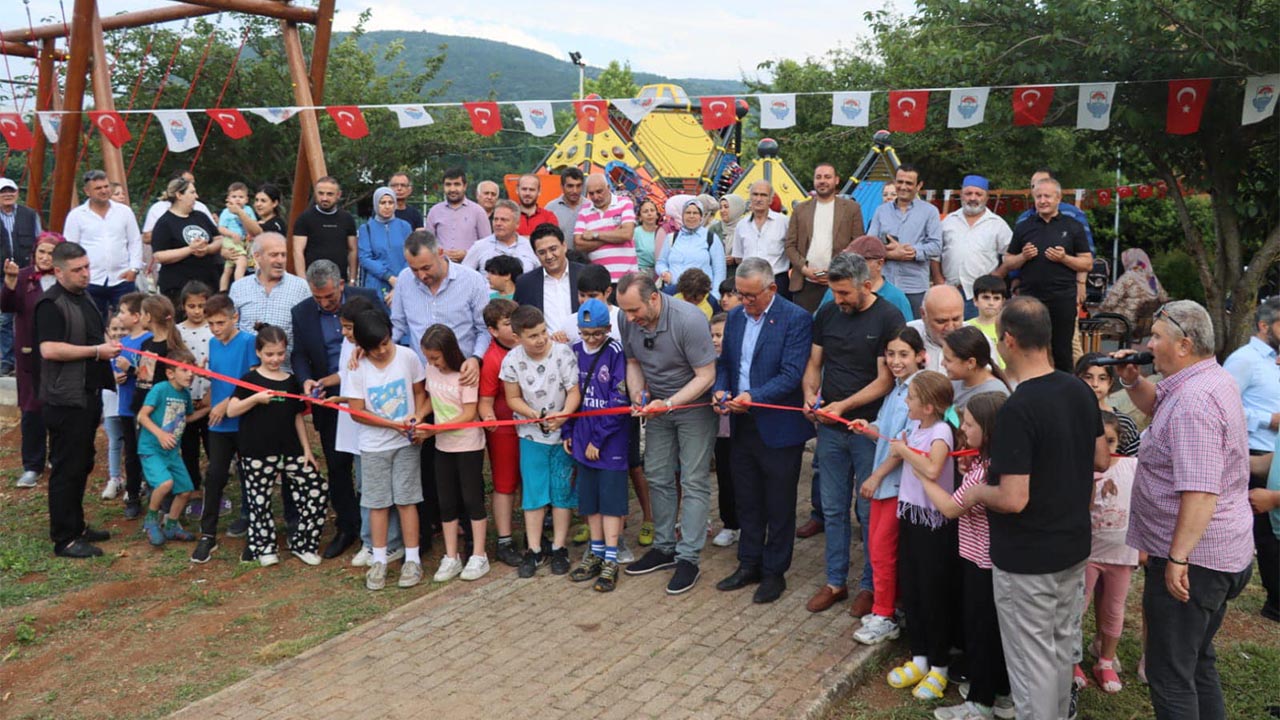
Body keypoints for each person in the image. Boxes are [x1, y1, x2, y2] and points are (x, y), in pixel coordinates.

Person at [962, 296, 1110, 720]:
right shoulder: (1079, 389)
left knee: (1031, 665)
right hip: (1072, 546)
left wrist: (975, 493)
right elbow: (1100, 458)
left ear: (1008, 340)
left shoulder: (1019, 408)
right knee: (1061, 650)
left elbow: (1012, 498)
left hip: (1027, 560)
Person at [1115, 300, 1254, 719]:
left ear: (1184, 344)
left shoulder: (1195, 403)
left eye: (1156, 337)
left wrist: (1177, 558)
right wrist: (1134, 382)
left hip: (1196, 561)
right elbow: (1164, 410)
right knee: (1196, 661)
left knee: (1171, 674)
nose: (1148, 344)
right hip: (1222, 552)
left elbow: (1200, 491)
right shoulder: (1208, 379)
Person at [802, 252, 904, 615]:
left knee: (867, 509)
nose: (838, 300)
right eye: (834, 292)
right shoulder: (828, 312)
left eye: (844, 293)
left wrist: (842, 407)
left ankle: (870, 586)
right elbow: (814, 364)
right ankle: (835, 582)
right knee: (831, 508)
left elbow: (885, 379)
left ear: (865, 284)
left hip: (868, 429)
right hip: (829, 428)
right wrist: (810, 396)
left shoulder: (889, 316)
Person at [712, 258, 814, 604]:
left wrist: (751, 397)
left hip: (779, 426)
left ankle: (774, 572)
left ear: (772, 288)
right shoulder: (737, 317)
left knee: (779, 502)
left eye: (751, 295)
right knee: (748, 498)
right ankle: (748, 563)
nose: (744, 302)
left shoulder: (796, 319)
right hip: (742, 423)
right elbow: (725, 363)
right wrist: (721, 391)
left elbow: (790, 375)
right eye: (740, 295)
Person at [913, 392, 1016, 720]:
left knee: (980, 631)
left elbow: (948, 508)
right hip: (995, 560)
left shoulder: (982, 473)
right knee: (995, 631)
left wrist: (922, 477)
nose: (963, 430)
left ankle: (980, 703)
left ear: (987, 429)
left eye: (969, 424)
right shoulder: (998, 463)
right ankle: (1003, 696)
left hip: (980, 562)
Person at [617, 272, 718, 595]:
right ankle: (663, 546)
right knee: (658, 474)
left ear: (654, 298)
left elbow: (706, 375)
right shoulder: (625, 316)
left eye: (635, 311)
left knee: (693, 479)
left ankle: (688, 556)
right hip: (656, 405)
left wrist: (671, 403)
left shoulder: (688, 320)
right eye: (626, 312)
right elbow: (633, 361)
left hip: (692, 406)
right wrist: (637, 395)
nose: (631, 318)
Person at [292, 260, 384, 560]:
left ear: (341, 285)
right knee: (338, 465)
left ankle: (378, 529)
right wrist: (306, 379)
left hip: (369, 395)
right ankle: (348, 526)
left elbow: (388, 333)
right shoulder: (302, 312)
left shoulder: (367, 297)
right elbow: (300, 354)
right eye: (318, 298)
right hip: (328, 398)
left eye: (329, 297)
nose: (324, 303)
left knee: (371, 463)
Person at [36, 241, 121, 557]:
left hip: (87, 394)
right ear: (58, 271)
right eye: (77, 270)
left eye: (86, 267)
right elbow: (50, 349)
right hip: (65, 399)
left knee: (82, 462)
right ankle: (65, 538)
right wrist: (97, 351)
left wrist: (106, 342)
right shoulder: (51, 303)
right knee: (66, 467)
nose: (86, 274)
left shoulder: (82, 295)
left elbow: (91, 334)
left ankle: (77, 524)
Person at [878, 371, 957, 702]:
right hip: (910, 516)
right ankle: (920, 656)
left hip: (934, 524)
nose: (906, 402)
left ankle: (940, 666)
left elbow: (932, 469)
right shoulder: (915, 427)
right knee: (912, 589)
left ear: (927, 406)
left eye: (910, 398)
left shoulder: (941, 431)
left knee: (933, 593)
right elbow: (895, 447)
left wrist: (904, 450)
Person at [227, 325, 329, 567]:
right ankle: (265, 547)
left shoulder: (292, 381)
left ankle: (304, 543)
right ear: (259, 353)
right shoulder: (249, 380)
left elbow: (297, 417)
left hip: (291, 450)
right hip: (257, 451)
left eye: (280, 354)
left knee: (317, 491)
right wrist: (256, 398)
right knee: (259, 501)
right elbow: (232, 410)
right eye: (270, 354)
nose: (275, 359)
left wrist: (306, 449)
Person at [851, 327, 924, 644]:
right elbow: (887, 430)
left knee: (883, 552)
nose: (896, 361)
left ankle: (885, 616)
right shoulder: (895, 390)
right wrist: (868, 428)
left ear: (920, 356)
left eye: (903, 354)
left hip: (897, 486)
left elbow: (904, 445)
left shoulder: (917, 392)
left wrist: (876, 475)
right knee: (879, 550)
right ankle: (884, 608)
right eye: (891, 354)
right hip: (886, 486)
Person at [500, 305, 581, 578]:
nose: (541, 339)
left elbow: (573, 391)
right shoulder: (511, 361)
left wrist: (565, 415)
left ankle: (559, 546)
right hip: (530, 435)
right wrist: (531, 414)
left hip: (562, 435)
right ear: (517, 337)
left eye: (543, 332)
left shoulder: (563, 353)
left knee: (561, 493)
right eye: (533, 335)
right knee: (534, 495)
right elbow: (512, 397)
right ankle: (534, 550)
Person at [564, 298, 631, 592]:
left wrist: (598, 438)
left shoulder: (616, 353)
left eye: (597, 333)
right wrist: (568, 429)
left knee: (611, 502)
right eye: (585, 333)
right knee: (589, 501)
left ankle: (611, 560)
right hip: (581, 438)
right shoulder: (573, 352)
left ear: (607, 329)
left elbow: (619, 399)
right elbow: (567, 394)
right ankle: (596, 551)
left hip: (609, 440)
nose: (591, 339)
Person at [1222, 295, 1280, 623]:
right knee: (1265, 534)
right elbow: (1224, 406)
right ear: (1264, 325)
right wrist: (1267, 419)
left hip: (1275, 454)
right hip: (1255, 452)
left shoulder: (1276, 360)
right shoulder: (1244, 359)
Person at [337, 296, 405, 569]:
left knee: (389, 491)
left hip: (386, 432)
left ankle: (390, 543)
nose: (345, 333)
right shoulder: (351, 349)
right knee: (367, 488)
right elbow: (346, 379)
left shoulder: (382, 352)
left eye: (350, 327)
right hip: (358, 431)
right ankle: (371, 541)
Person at [1075, 412, 1140, 695]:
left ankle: (1105, 661)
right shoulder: (1078, 470)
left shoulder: (1133, 467)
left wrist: (1145, 546)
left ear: (1118, 441)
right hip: (1087, 554)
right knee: (1077, 608)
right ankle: (1071, 660)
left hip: (1122, 555)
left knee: (1114, 609)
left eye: (1109, 441)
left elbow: (1144, 504)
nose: (1103, 449)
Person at [419, 324, 490, 583]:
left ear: (448, 351)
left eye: (436, 357)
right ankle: (451, 556)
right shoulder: (430, 369)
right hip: (442, 446)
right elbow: (430, 398)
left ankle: (479, 554)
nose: (433, 363)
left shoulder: (465, 373)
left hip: (468, 445)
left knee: (472, 499)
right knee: (446, 502)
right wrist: (419, 414)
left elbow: (469, 413)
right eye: (428, 358)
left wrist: (435, 429)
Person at [191, 293, 258, 563]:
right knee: (215, 476)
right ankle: (208, 534)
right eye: (211, 324)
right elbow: (222, 379)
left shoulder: (249, 342)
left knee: (251, 477)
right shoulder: (214, 345)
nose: (216, 329)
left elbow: (252, 380)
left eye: (220, 323)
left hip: (245, 420)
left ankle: (256, 532)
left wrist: (227, 403)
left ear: (235, 318)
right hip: (219, 424)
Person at [1004, 178, 1094, 372]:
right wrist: (1023, 256)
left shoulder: (1073, 226)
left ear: (1058, 198)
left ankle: (1063, 394)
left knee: (1062, 350)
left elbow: (1087, 263)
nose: (1042, 200)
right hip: (1031, 299)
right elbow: (1008, 261)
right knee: (1031, 348)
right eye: (1038, 197)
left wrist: (1064, 258)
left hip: (1062, 298)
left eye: (1047, 196)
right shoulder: (1024, 226)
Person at [2, 231, 60, 488]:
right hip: (29, 353)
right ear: (34, 253)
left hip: (59, 351)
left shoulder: (64, 278)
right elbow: (6, 306)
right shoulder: (23, 276)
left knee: (59, 406)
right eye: (42, 252)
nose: (46, 258)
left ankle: (57, 457)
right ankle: (32, 465)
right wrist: (10, 282)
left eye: (51, 253)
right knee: (31, 408)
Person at [390, 229, 490, 375]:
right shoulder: (404, 279)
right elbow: (397, 325)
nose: (422, 275)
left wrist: (476, 358)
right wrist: (375, 347)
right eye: (414, 270)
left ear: (441, 253)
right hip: (420, 374)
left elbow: (484, 329)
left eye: (426, 268)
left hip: (462, 372)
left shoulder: (472, 281)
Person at [136, 349, 207, 546]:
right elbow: (142, 416)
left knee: (185, 490)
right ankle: (151, 521)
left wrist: (211, 408)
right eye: (185, 370)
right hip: (152, 449)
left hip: (172, 452)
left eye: (192, 370)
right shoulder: (160, 389)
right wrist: (160, 434)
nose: (191, 374)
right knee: (165, 484)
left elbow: (188, 418)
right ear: (170, 373)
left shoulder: (184, 394)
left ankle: (172, 526)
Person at [477, 298, 523, 568]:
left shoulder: (528, 345)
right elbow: (485, 401)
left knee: (531, 480)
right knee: (505, 484)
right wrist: (488, 416)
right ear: (493, 331)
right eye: (508, 323)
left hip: (530, 426)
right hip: (504, 431)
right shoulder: (492, 358)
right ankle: (504, 540)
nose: (515, 326)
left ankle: (535, 534)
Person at [62, 170, 143, 320]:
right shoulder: (76, 215)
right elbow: (70, 249)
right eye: (98, 188)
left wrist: (134, 269)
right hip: (90, 280)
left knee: (129, 322)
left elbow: (135, 241)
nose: (104, 191)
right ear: (87, 191)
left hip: (122, 278)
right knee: (92, 323)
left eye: (106, 186)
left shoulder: (124, 212)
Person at [784, 163, 864, 311]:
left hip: (840, 281)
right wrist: (805, 269)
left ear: (837, 180)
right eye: (818, 177)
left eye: (827, 177)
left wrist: (836, 269)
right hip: (805, 282)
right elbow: (789, 245)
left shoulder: (852, 208)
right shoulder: (800, 210)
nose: (822, 181)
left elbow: (858, 244)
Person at [867, 164, 943, 318]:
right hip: (884, 285)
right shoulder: (881, 211)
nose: (903, 187)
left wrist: (912, 252)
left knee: (913, 331)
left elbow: (936, 246)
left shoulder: (929, 212)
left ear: (919, 185)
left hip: (914, 287)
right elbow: (869, 246)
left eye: (909, 183)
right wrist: (892, 254)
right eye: (900, 182)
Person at [228, 233, 312, 368]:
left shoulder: (301, 287)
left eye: (283, 255)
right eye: (274, 255)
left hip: (285, 373)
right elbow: (232, 330)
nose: (280, 260)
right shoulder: (239, 287)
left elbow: (308, 333)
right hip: (246, 373)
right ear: (257, 256)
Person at [936, 175, 1011, 319]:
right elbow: (935, 254)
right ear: (961, 195)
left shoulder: (997, 224)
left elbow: (1011, 255)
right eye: (968, 193)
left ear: (986, 197)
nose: (973, 198)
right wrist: (938, 280)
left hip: (981, 296)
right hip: (950, 291)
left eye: (978, 194)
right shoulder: (948, 221)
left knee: (977, 337)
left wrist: (998, 274)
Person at [149, 177, 224, 309]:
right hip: (180, 288)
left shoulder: (200, 216)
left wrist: (207, 249)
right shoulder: (165, 223)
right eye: (192, 192)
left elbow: (219, 239)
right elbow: (159, 255)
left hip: (208, 282)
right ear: (179, 195)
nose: (196, 196)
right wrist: (190, 249)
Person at [176, 282, 214, 517]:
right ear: (183, 307)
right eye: (192, 306)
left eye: (202, 306)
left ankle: (213, 489)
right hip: (186, 399)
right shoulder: (177, 331)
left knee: (213, 446)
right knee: (188, 446)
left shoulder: (214, 329)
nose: (197, 311)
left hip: (211, 398)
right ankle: (193, 488)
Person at [513, 223, 584, 343]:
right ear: (535, 254)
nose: (549, 256)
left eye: (553, 249)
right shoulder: (525, 283)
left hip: (584, 346)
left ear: (564, 246)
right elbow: (521, 321)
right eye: (542, 252)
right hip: (544, 350)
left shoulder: (585, 274)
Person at [0, 176, 42, 376]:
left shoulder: (30, 215)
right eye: (3, 192)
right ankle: (7, 361)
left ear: (17, 193)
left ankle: (29, 357)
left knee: (30, 314)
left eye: (11, 191)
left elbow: (39, 241)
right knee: (4, 318)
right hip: (1, 275)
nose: (7, 195)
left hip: (27, 273)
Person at [818, 236, 915, 321]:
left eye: (860, 260)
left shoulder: (896, 298)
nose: (851, 264)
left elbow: (906, 336)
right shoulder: (835, 292)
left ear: (879, 263)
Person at [114, 293, 150, 518]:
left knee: (148, 451)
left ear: (136, 317)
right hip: (126, 407)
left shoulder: (149, 340)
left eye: (122, 312)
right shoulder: (122, 343)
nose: (119, 316)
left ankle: (156, 493)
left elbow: (150, 375)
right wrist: (116, 376)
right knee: (131, 454)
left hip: (146, 409)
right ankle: (133, 495)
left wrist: (131, 369)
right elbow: (114, 369)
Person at [908, 285, 997, 374]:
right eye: (941, 321)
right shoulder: (905, 336)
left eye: (956, 319)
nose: (950, 328)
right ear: (923, 314)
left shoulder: (980, 342)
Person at [657, 200, 726, 301]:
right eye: (688, 213)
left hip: (701, 296)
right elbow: (660, 263)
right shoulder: (672, 238)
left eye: (695, 213)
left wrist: (715, 296)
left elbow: (719, 270)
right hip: (673, 294)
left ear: (701, 216)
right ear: (682, 215)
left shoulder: (710, 238)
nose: (691, 216)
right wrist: (664, 272)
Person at [708, 313, 738, 546]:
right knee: (725, 478)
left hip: (739, 430)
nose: (716, 340)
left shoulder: (739, 364)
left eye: (720, 335)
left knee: (743, 480)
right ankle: (729, 524)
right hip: (718, 432)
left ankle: (747, 524)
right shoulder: (708, 364)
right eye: (712, 336)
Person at [291, 176, 357, 281]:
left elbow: (353, 250)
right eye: (320, 193)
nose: (324, 198)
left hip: (340, 280)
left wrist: (353, 279)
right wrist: (302, 281)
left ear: (338, 195)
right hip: (313, 281)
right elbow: (298, 251)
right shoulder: (304, 218)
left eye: (330, 194)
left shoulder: (347, 219)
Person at [574, 174, 638, 282]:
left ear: (608, 188)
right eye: (591, 193)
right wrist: (614, 235)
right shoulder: (584, 211)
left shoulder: (624, 202)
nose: (595, 197)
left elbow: (627, 234)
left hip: (627, 278)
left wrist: (595, 235)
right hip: (599, 280)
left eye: (599, 191)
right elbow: (578, 244)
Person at [1074, 353, 1142, 455]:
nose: (1095, 384)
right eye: (1088, 377)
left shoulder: (1124, 423)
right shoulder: (1066, 417)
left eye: (1102, 378)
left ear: (1110, 382)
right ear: (1075, 379)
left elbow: (1133, 462)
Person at [732, 181, 790, 297]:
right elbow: (739, 257)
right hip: (748, 283)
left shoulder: (784, 222)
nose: (758, 199)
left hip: (777, 282)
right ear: (750, 197)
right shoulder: (741, 225)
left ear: (771, 199)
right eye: (755, 194)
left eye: (763, 195)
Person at [941, 325, 1010, 422]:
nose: (942, 363)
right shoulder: (956, 381)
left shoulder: (991, 396)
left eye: (948, 360)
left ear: (970, 363)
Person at [357, 186, 413, 301]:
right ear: (376, 204)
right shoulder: (366, 228)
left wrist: (400, 281)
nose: (387, 206)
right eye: (382, 202)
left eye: (390, 202)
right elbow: (365, 258)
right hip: (376, 284)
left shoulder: (405, 227)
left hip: (402, 282)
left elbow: (411, 255)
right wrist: (388, 277)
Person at [426, 168, 490, 262]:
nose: (452, 189)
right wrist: (440, 253)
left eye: (457, 184)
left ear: (464, 186)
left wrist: (467, 254)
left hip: (470, 269)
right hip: (441, 269)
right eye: (448, 184)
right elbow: (428, 244)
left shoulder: (478, 211)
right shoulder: (434, 211)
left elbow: (487, 245)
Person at [1098, 248, 1169, 333]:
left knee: (1094, 320)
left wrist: (1100, 309)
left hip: (1124, 322)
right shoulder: (1152, 278)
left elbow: (1111, 301)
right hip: (1147, 324)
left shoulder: (1129, 276)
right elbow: (1164, 297)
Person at [462, 200, 538, 273]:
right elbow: (464, 275)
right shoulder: (480, 246)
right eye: (495, 219)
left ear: (517, 224)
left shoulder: (530, 247)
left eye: (504, 220)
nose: (498, 223)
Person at [142, 170, 216, 244]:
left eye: (193, 183)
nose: (191, 185)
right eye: (187, 182)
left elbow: (215, 235)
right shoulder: (158, 208)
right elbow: (146, 238)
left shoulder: (200, 208)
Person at [100, 312, 127, 500]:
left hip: (129, 404)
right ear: (108, 331)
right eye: (115, 329)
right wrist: (110, 378)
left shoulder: (134, 349)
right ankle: (115, 478)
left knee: (135, 443)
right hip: (110, 404)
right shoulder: (103, 353)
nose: (119, 332)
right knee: (115, 442)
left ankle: (137, 479)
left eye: (122, 328)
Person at [217, 181, 262, 291]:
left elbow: (253, 224)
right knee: (241, 262)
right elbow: (220, 228)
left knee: (229, 268)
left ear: (246, 199)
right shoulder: (226, 212)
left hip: (245, 241)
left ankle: (223, 289)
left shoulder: (248, 210)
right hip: (231, 240)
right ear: (228, 198)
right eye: (234, 196)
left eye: (241, 197)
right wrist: (231, 234)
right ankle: (239, 287)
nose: (237, 199)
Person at [965, 274, 1007, 350]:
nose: (991, 303)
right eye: (986, 297)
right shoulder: (965, 327)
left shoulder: (1008, 329)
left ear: (1003, 302)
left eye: (996, 298)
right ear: (975, 300)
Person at [547, 166, 586, 247]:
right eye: (570, 186)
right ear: (562, 186)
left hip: (586, 258)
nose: (575, 191)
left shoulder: (590, 206)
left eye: (578, 186)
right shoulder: (551, 208)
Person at [633, 198, 666, 278]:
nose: (649, 214)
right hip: (640, 273)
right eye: (645, 211)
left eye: (652, 210)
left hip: (661, 272)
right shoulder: (635, 233)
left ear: (657, 215)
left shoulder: (663, 232)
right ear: (640, 217)